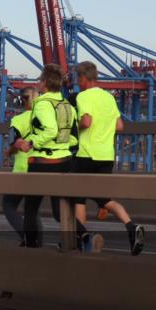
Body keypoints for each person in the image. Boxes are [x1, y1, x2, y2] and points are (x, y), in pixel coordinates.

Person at [16, 64, 97, 250]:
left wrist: (30, 143)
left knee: (31, 208)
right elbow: (73, 136)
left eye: (40, 80)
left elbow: (50, 131)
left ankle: (31, 246)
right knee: (61, 210)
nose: (38, 83)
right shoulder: (67, 105)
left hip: (43, 162)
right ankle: (83, 234)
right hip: (66, 162)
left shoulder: (42, 104)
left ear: (44, 83)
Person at [73, 61, 145, 255]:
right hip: (106, 155)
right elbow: (120, 126)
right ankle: (131, 227)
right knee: (105, 199)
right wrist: (103, 129)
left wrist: (76, 127)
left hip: (87, 154)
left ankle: (82, 239)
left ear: (83, 78)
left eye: (77, 79)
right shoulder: (108, 97)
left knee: (78, 198)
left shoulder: (83, 96)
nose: (77, 83)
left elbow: (86, 122)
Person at [2, 87, 42, 245]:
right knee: (32, 209)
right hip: (40, 167)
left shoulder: (18, 120)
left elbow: (15, 143)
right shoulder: (44, 118)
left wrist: (8, 152)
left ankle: (25, 236)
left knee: (9, 205)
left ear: (23, 100)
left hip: (21, 169)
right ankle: (37, 241)